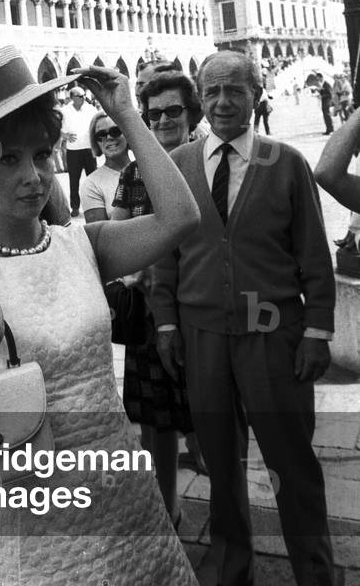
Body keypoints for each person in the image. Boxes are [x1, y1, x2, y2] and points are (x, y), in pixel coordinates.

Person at [0, 45, 201, 586]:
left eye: (43, 154)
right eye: (7, 159)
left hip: (118, 482)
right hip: (26, 495)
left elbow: (180, 218)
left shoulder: (82, 244)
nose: (33, 175)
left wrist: (126, 113)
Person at [153, 50, 336, 586]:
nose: (223, 102)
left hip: (273, 337)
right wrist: (166, 322)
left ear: (257, 95)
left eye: (235, 90)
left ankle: (317, 573)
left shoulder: (286, 164)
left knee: (292, 465)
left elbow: (313, 257)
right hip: (202, 335)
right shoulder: (180, 164)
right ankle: (232, 570)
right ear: (200, 99)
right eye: (211, 92)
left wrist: (317, 333)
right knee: (220, 466)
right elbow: (167, 250)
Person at [106, 71, 205, 526]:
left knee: (211, 412)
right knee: (157, 423)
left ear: (191, 113)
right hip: (149, 313)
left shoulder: (209, 162)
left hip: (202, 309)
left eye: (173, 111)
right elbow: (118, 229)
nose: (163, 120)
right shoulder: (133, 170)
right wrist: (136, 267)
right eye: (154, 113)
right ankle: (168, 511)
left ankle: (221, 490)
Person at [80, 111, 131, 221]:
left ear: (127, 133)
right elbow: (100, 236)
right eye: (101, 135)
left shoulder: (146, 169)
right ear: (96, 142)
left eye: (115, 131)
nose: (109, 137)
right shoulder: (91, 184)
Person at [59, 85, 97, 216]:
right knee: (73, 180)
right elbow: (56, 126)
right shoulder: (64, 111)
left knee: (92, 179)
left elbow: (96, 125)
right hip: (73, 150)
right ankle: (75, 207)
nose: (84, 98)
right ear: (72, 98)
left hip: (88, 149)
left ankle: (95, 205)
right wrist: (64, 135)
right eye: (80, 96)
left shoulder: (91, 109)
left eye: (84, 95)